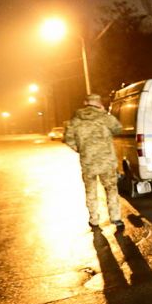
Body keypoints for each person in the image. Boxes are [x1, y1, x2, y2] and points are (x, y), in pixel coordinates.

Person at [65, 94, 125, 230]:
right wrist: (104, 112)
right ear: (99, 103)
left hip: (88, 163)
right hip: (107, 162)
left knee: (90, 191)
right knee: (111, 190)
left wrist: (82, 150)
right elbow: (118, 129)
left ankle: (94, 219)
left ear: (85, 102)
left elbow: (68, 139)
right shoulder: (105, 117)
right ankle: (116, 218)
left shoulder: (75, 120)